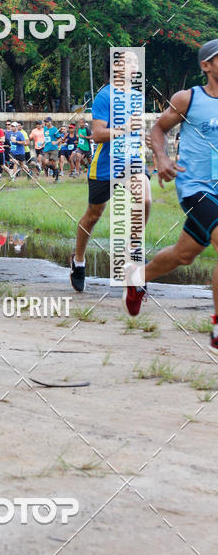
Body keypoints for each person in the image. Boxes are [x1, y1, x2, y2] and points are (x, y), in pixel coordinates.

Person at [124, 39, 218, 341]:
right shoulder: (188, 99)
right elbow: (158, 129)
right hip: (195, 186)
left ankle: (137, 278)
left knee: (183, 255)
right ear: (206, 65)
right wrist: (162, 157)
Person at [70, 52, 151, 292]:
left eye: (136, 61)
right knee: (94, 215)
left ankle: (132, 250)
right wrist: (124, 128)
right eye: (128, 62)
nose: (134, 65)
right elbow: (98, 134)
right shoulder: (104, 96)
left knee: (144, 199)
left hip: (132, 160)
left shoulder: (137, 96)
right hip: (106, 164)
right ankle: (78, 261)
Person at [42, 116, 61, 181]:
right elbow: (46, 138)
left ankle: (57, 178)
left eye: (47, 121)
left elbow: (60, 139)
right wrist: (42, 143)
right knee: (46, 162)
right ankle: (55, 171)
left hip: (53, 148)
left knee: (54, 163)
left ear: (50, 122)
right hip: (46, 148)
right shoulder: (44, 129)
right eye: (45, 122)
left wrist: (55, 142)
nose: (46, 123)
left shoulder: (55, 129)